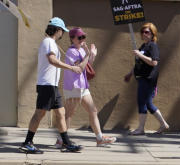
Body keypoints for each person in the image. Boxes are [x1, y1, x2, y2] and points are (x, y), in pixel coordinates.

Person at [18, 17, 84, 154]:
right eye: (62, 31)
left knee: (61, 113)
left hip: (52, 85)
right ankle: (27, 143)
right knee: (39, 114)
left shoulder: (51, 42)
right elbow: (52, 60)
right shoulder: (48, 42)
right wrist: (71, 68)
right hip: (46, 84)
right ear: (58, 30)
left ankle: (66, 142)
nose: (63, 34)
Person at [62, 26, 114, 146]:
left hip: (83, 86)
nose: (82, 39)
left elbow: (87, 65)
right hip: (73, 86)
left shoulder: (80, 50)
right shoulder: (71, 52)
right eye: (79, 37)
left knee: (93, 110)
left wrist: (91, 56)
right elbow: (79, 68)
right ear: (72, 38)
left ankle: (99, 138)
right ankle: (62, 140)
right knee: (69, 114)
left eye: (83, 37)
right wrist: (87, 54)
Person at [124, 22, 169, 135]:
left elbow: (154, 62)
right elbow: (139, 63)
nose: (144, 34)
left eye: (147, 32)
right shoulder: (144, 46)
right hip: (142, 78)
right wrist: (130, 73)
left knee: (142, 102)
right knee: (147, 103)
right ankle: (163, 124)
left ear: (152, 34)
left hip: (148, 79)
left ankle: (141, 128)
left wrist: (140, 55)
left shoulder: (152, 45)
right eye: (142, 32)